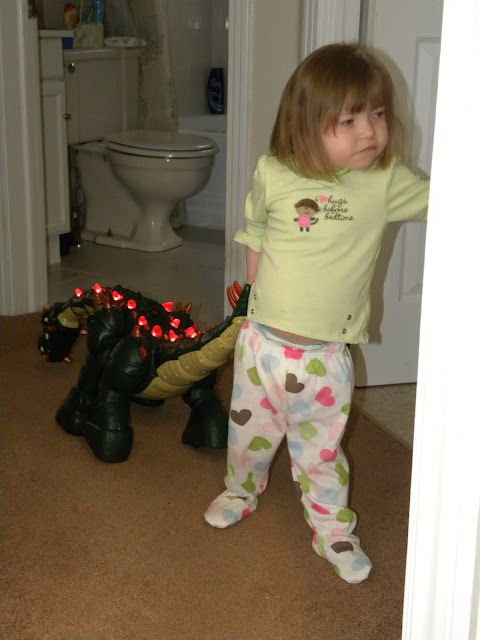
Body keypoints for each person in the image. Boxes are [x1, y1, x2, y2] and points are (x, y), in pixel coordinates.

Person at [204, 43, 429, 584]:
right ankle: (241, 490)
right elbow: (257, 231)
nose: (369, 131)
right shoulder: (274, 173)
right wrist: (249, 299)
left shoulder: (386, 182)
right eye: (349, 120)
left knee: (321, 452)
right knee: (248, 434)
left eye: (378, 114)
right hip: (261, 346)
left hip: (325, 358)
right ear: (305, 123)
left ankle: (332, 528)